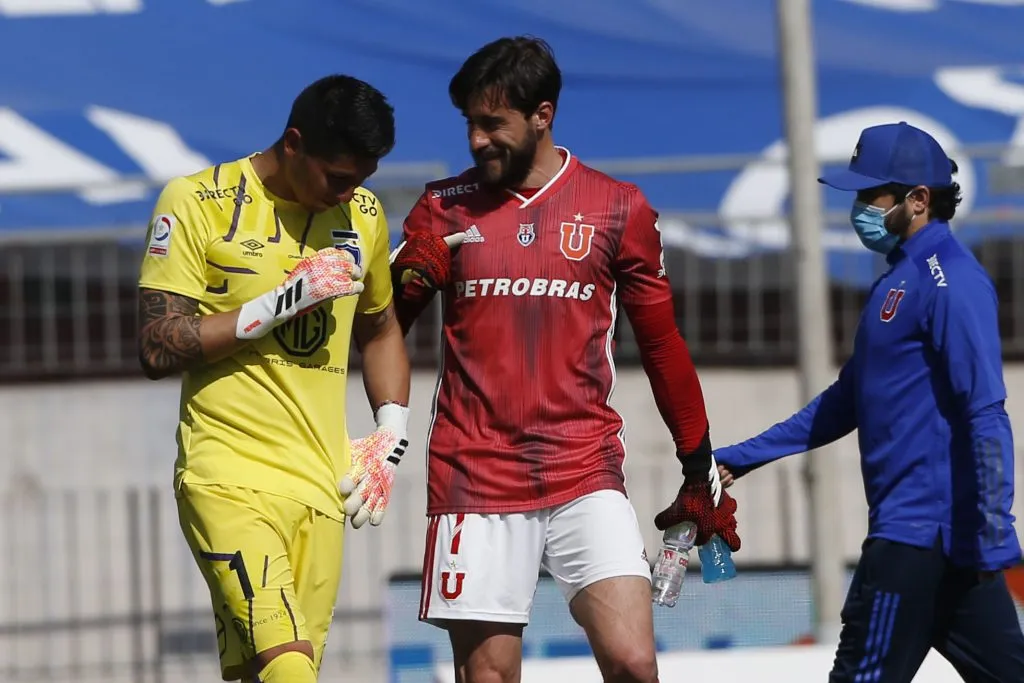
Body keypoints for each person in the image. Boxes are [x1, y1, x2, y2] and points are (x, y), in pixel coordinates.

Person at [389, 37, 741, 683]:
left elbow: (662, 345)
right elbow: (378, 330)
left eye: (492, 123)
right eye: (469, 122)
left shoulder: (616, 206)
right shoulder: (442, 209)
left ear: (542, 115)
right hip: (476, 477)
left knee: (635, 664)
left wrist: (699, 466)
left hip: (584, 468)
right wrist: (391, 291)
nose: (476, 139)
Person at [715, 121, 1024, 682]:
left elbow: (985, 410)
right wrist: (741, 456)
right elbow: (847, 400)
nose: (858, 207)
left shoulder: (951, 280)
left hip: (920, 540)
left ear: (918, 200)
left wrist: (994, 525)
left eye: (870, 195)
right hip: (939, 546)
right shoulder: (897, 280)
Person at [136, 74, 411, 683]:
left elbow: (382, 328)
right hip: (226, 478)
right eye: (338, 177)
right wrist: (277, 304)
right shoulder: (196, 201)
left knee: (262, 676)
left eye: (361, 179)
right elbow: (157, 346)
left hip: (321, 489)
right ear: (294, 144)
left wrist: (391, 435)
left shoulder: (362, 214)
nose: (349, 193)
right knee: (290, 671)